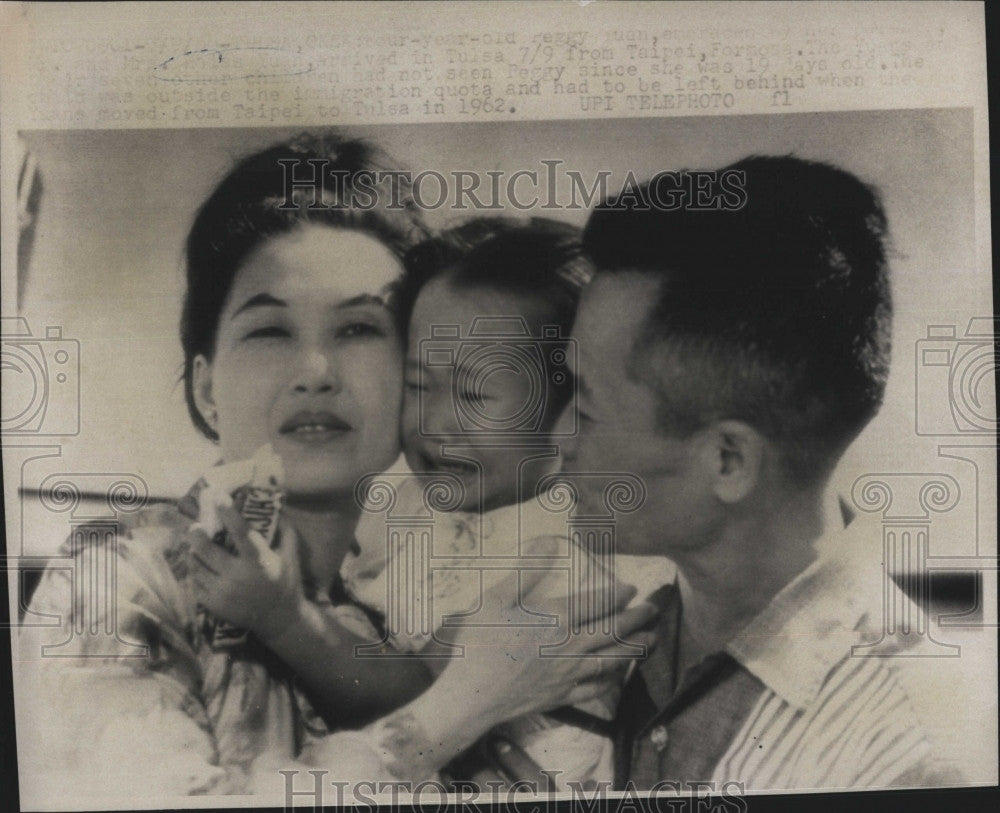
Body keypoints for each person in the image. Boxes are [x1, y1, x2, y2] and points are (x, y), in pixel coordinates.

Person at [18, 135, 655, 800]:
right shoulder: (117, 579)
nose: (316, 374)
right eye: (270, 331)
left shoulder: (381, 601)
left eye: (358, 329)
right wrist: (458, 706)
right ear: (206, 386)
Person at [547, 155, 964, 790]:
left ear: (728, 461)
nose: (556, 441)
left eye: (586, 408)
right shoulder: (593, 623)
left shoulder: (908, 756)